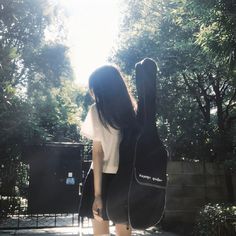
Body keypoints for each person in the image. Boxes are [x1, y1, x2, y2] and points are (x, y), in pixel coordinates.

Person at [79, 65, 137, 236]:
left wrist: (98, 195)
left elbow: (97, 154)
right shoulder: (134, 111)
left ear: (100, 88)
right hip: (126, 179)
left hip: (101, 178)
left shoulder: (96, 111)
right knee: (125, 233)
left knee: (101, 234)